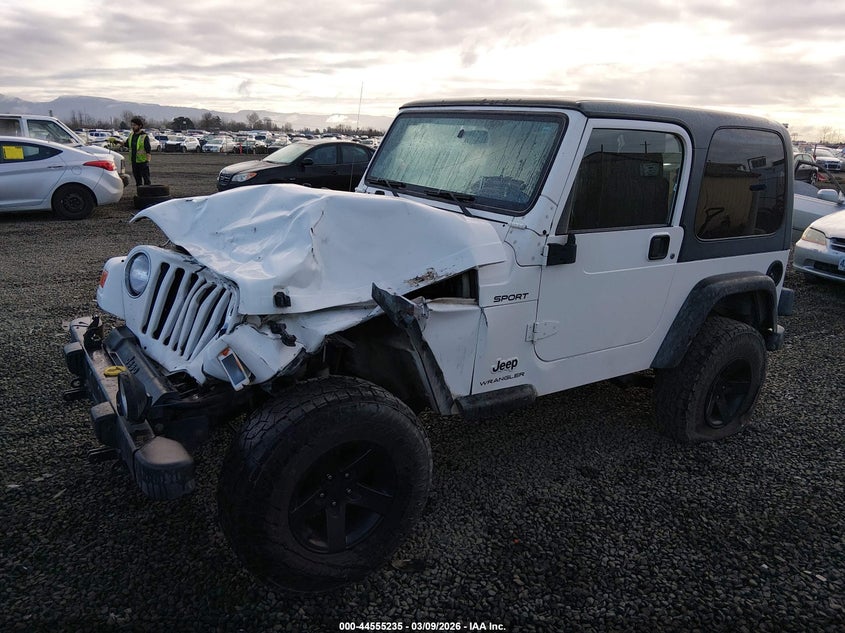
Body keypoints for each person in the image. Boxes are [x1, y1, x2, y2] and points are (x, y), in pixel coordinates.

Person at [125, 116, 152, 186]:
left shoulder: (144, 136)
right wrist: (117, 142)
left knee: (146, 180)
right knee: (138, 181)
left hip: (143, 162)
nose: (133, 127)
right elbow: (126, 144)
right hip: (134, 162)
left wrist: (147, 162)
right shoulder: (131, 135)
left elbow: (148, 150)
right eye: (132, 125)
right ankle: (140, 194)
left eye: (134, 125)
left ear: (140, 126)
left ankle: (147, 195)